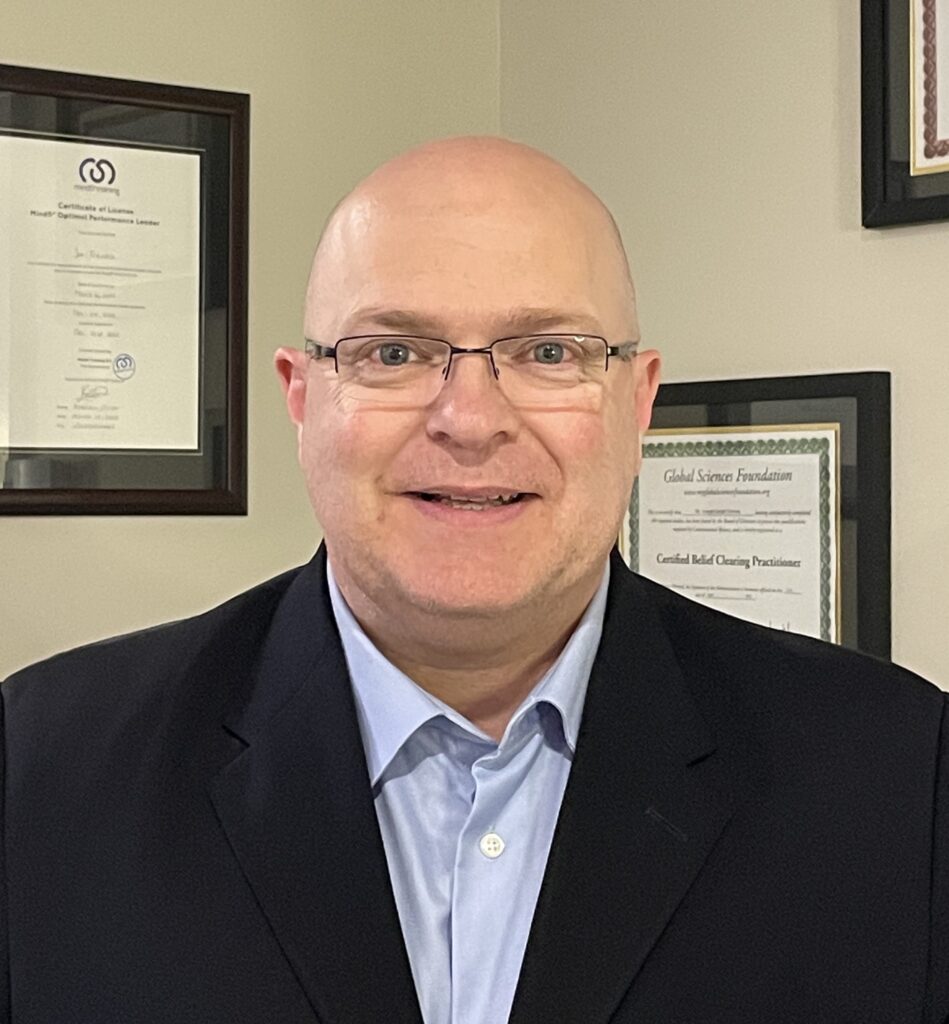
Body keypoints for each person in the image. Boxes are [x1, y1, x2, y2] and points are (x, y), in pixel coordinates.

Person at [1, 137, 947, 1024]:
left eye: (547, 353)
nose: (468, 418)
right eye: (394, 353)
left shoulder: (901, 776)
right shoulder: (40, 771)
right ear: (301, 395)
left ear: (637, 399)